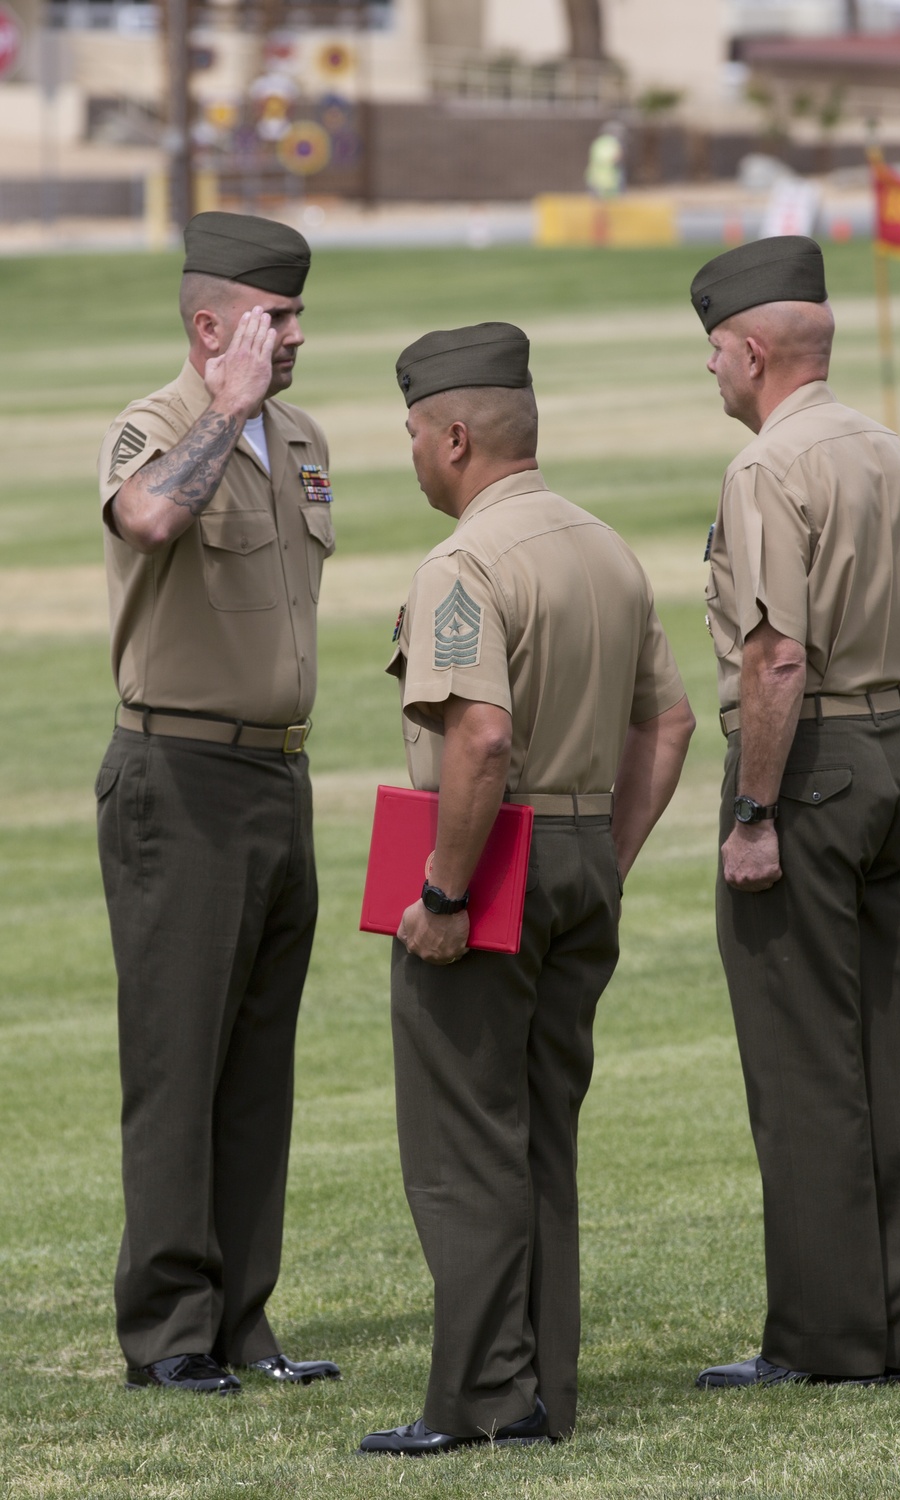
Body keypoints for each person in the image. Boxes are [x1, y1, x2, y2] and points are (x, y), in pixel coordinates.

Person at [357, 322, 695, 1455]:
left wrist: (446, 895)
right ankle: (543, 1384)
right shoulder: (602, 546)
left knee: (464, 1143)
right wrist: (605, 855)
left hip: (491, 863)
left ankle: (480, 1400)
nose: (407, 453)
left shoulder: (468, 561)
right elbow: (671, 720)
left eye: (411, 433)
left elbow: (483, 739)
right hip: (582, 853)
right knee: (543, 1133)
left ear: (454, 436)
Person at [689, 236, 900, 1388]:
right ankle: (886, 1322)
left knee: (803, 1070)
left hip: (808, 766)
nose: (708, 373)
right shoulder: (895, 452)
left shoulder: (768, 468)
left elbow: (777, 656)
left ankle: (822, 1340)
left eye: (710, 354)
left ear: (750, 350)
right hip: (893, 754)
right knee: (880, 1060)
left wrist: (756, 810)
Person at [95, 212, 341, 1395]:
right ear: (212, 326)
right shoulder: (160, 430)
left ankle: (246, 1320)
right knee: (178, 1061)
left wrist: (256, 415)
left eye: (294, 315)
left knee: (258, 1065)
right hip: (179, 780)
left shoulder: (299, 438)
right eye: (274, 317)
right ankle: (170, 1333)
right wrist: (225, 409)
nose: (294, 335)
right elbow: (149, 519)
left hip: (278, 776)